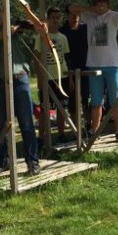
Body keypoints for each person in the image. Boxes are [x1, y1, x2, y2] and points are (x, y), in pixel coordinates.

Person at [0, 0, 42, 175]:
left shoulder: (12, 23)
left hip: (19, 78)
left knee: (26, 122)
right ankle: (3, 161)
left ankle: (33, 161)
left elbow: (39, 27)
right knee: (1, 124)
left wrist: (29, 15)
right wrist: (7, 32)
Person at [67, 0, 118, 143]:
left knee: (116, 99)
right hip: (94, 64)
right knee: (96, 101)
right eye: (98, 5)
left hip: (112, 64)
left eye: (104, 5)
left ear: (108, 5)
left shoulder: (113, 16)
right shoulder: (89, 16)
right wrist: (90, 9)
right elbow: (70, 8)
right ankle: (94, 132)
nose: (101, 8)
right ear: (94, 5)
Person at [44, 7, 71, 142]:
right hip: (48, 77)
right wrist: (40, 79)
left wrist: (70, 78)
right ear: (48, 19)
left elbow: (67, 58)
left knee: (62, 107)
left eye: (58, 17)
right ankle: (44, 137)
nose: (55, 20)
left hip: (62, 76)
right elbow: (37, 57)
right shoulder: (42, 37)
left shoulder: (63, 37)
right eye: (53, 17)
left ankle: (61, 134)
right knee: (45, 108)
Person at [60, 6, 89, 127]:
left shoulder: (85, 28)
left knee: (87, 98)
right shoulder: (62, 31)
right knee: (73, 101)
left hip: (87, 68)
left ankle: (88, 125)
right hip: (69, 70)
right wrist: (69, 73)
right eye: (72, 14)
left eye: (77, 14)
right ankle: (76, 130)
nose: (75, 17)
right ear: (67, 16)